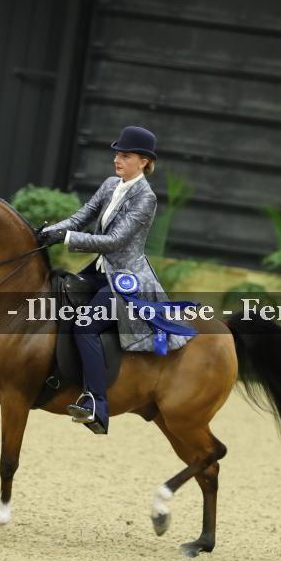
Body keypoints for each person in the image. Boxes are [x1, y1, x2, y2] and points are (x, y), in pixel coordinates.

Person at [38, 126, 191, 435]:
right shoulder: (110, 185)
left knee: (86, 325)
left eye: (126, 156)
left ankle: (97, 403)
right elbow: (80, 217)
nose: (117, 160)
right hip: (99, 271)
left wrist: (66, 238)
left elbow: (114, 241)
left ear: (144, 162)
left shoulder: (146, 198)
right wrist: (48, 231)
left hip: (127, 280)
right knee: (57, 300)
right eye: (117, 154)